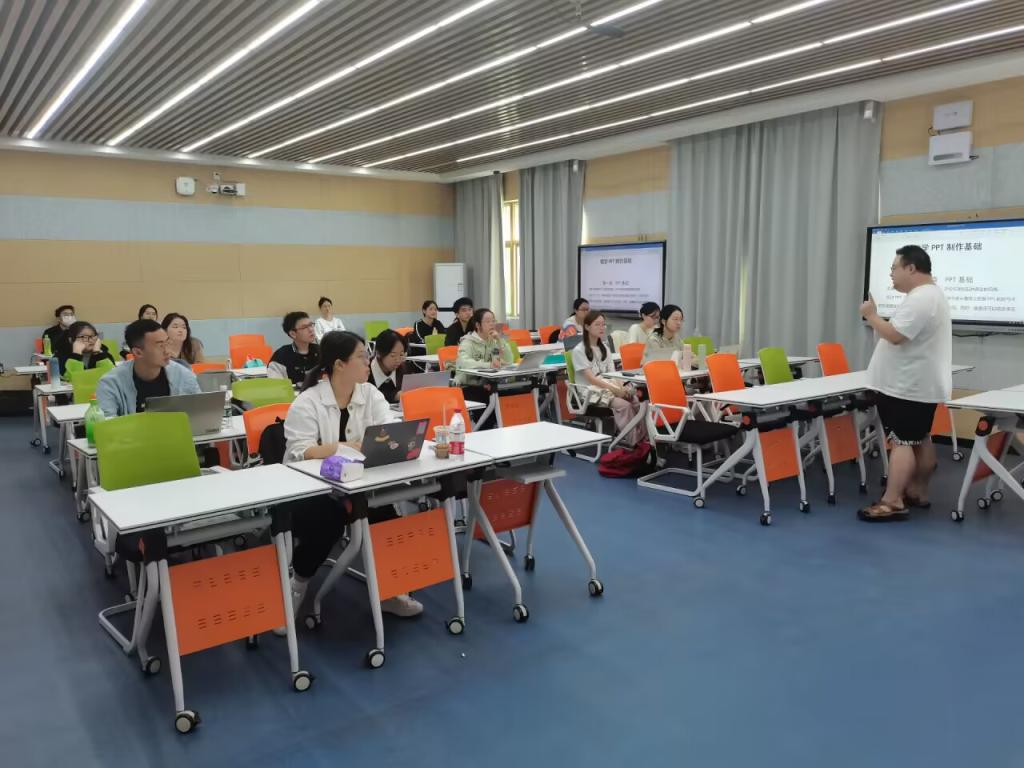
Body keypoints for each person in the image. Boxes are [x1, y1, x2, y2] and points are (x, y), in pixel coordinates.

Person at [281, 330, 423, 619]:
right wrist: (343, 447)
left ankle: (389, 591)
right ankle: (297, 585)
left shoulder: (369, 394)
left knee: (386, 519)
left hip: (360, 484)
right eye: (361, 357)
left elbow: (388, 428)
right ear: (339, 364)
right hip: (314, 489)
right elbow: (300, 451)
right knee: (327, 522)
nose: (368, 362)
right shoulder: (308, 402)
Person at [859, 245, 952, 522]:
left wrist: (871, 315)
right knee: (919, 438)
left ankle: (892, 501)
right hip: (915, 384)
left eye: (894, 268)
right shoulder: (930, 295)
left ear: (911, 268)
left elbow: (896, 335)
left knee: (902, 442)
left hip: (907, 386)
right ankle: (917, 491)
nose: (891, 273)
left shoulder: (922, 298)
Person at [96, 319, 201, 417]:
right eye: (160, 345)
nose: (168, 351)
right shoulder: (111, 383)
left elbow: (199, 413)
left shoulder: (183, 375)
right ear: (138, 352)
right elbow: (106, 423)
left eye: (167, 343)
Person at [572, 311, 643, 446]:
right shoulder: (579, 350)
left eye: (603, 324)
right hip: (590, 392)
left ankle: (643, 439)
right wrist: (616, 391)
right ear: (587, 327)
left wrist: (622, 388)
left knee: (636, 401)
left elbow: (612, 374)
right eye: (597, 324)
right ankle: (635, 443)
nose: (602, 328)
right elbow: (592, 380)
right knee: (624, 405)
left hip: (607, 387)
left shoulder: (604, 348)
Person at [455, 308, 514, 387]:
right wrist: (489, 365)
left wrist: (499, 340)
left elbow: (509, 361)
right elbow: (464, 362)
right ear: (478, 325)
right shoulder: (467, 342)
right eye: (488, 321)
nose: (492, 324)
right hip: (466, 385)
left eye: (493, 321)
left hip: (487, 383)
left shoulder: (493, 341)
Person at [269, 311, 320, 385]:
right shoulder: (281, 356)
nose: (311, 329)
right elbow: (276, 386)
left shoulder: (321, 351)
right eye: (305, 327)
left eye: (311, 325)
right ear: (293, 334)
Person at [370, 329, 408, 404]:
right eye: (393, 355)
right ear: (378, 353)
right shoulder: (365, 372)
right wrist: (393, 397)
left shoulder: (403, 369)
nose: (398, 360)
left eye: (401, 355)